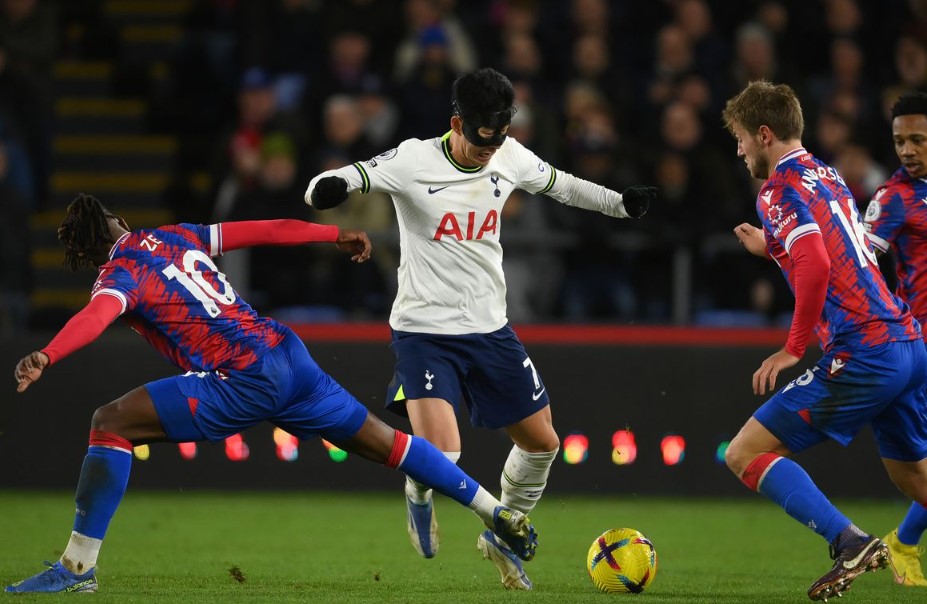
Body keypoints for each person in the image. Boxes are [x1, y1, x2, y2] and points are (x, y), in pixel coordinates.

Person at [5, 194, 538, 594]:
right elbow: (267, 229)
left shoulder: (119, 273)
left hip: (242, 377)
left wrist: (48, 354)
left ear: (90, 254)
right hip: (289, 355)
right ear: (118, 223)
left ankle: (77, 567)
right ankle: (495, 511)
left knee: (110, 422)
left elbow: (97, 317)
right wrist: (333, 235)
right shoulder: (175, 235)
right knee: (391, 444)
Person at [303, 67, 656, 590]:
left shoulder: (508, 152)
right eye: (478, 141)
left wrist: (619, 205)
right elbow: (335, 182)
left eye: (497, 140)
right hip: (424, 330)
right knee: (444, 456)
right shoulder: (411, 158)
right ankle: (420, 490)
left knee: (543, 443)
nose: (487, 152)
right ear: (456, 123)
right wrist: (327, 189)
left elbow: (563, 186)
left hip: (491, 329)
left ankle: (498, 535)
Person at [721, 80, 927, 601]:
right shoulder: (826, 173)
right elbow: (842, 248)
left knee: (743, 453)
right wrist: (772, 248)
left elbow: (815, 264)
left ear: (764, 134)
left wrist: (793, 346)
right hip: (907, 342)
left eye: (742, 138)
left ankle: (849, 541)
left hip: (864, 351)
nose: (739, 149)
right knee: (916, 480)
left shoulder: (776, 190)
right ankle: (854, 540)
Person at [862, 90, 927, 588]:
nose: (907, 150)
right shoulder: (893, 198)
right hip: (918, 345)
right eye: (900, 140)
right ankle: (904, 543)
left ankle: (904, 544)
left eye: (918, 139)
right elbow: (858, 263)